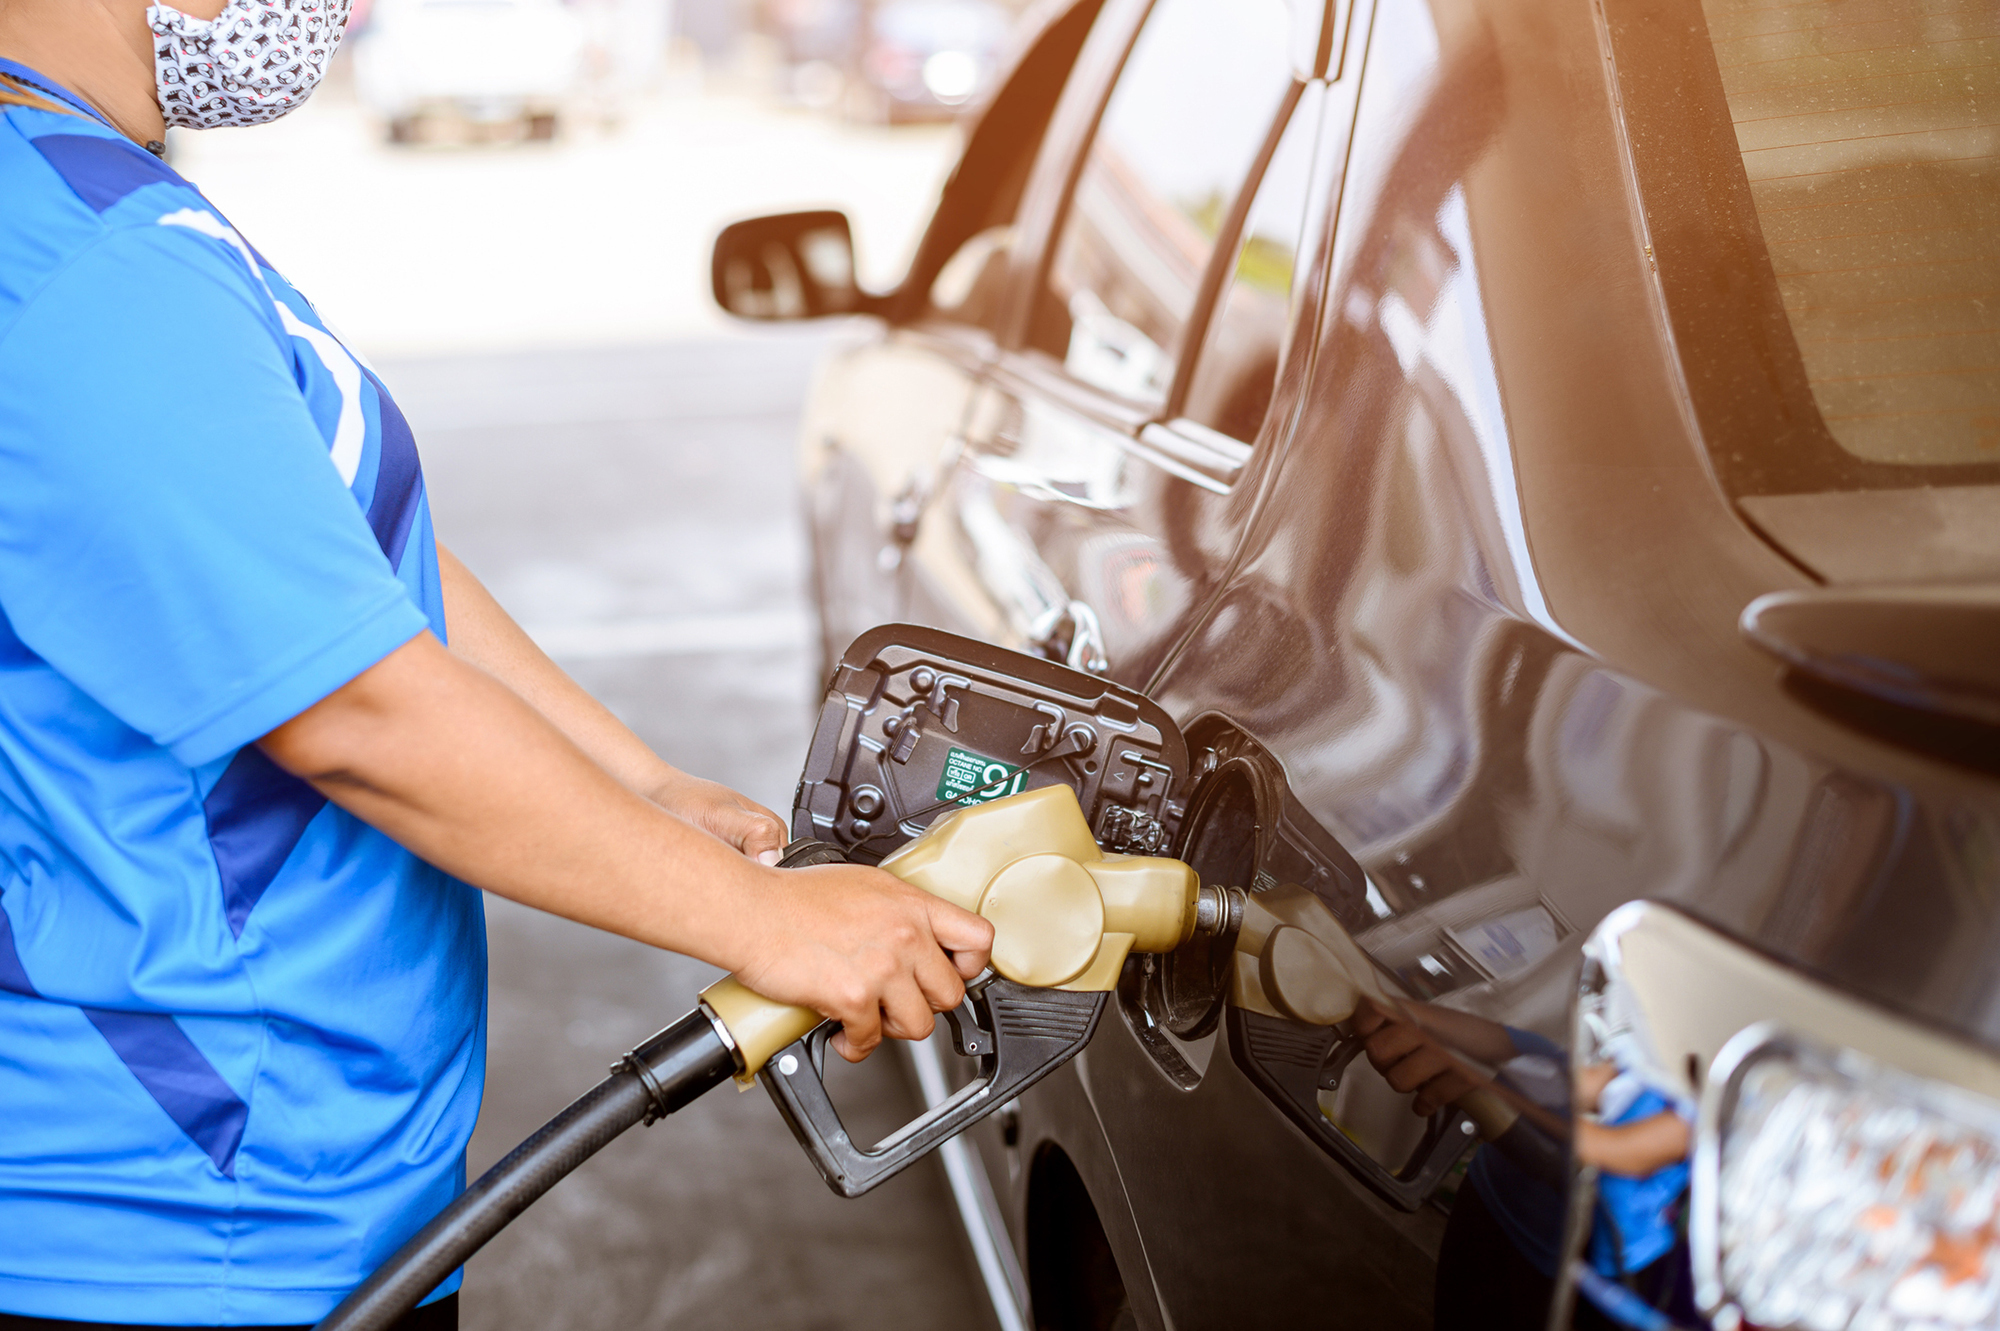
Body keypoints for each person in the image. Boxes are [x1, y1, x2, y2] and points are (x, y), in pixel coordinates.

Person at [0, 2, 994, 1327]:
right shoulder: (82, 261)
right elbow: (358, 712)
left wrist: (635, 779)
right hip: (188, 1224)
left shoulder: (90, 201)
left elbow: (340, 562)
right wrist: (768, 926)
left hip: (286, 1185)